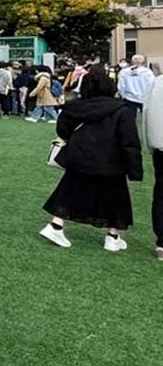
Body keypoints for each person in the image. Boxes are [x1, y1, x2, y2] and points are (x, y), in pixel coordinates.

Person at [39, 68, 142, 253]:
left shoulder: (75, 106)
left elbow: (62, 130)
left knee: (69, 190)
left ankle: (56, 226)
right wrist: (134, 169)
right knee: (117, 198)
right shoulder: (122, 110)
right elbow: (129, 142)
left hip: (79, 157)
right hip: (112, 162)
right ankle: (112, 236)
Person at [145, 71, 163, 260]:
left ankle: (162, 243)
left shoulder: (158, 82)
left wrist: (151, 144)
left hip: (160, 145)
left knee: (161, 193)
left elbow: (148, 112)